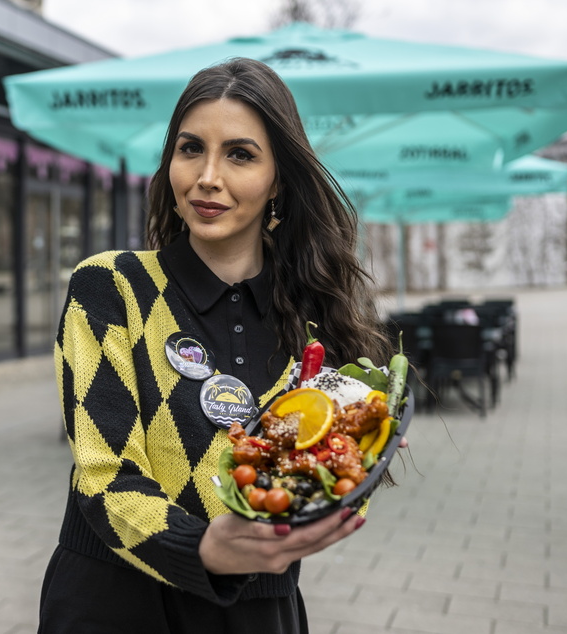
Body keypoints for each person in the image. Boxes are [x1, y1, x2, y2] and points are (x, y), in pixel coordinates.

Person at [39, 57, 394, 633]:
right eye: (189, 149)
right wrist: (204, 548)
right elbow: (103, 475)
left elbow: (327, 484)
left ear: (279, 178)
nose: (207, 176)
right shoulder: (110, 287)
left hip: (258, 609)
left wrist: (349, 469)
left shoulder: (315, 326)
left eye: (240, 154)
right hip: (114, 604)